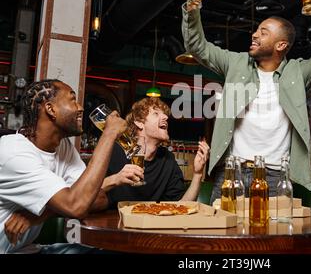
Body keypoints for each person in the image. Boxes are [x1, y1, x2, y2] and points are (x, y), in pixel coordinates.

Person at [183, 0, 311, 202]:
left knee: (273, 237)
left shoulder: (298, 72)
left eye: (264, 32)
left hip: (275, 176)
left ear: (281, 45)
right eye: (257, 30)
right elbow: (197, 46)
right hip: (231, 171)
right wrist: (192, 4)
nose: (254, 35)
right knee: (223, 236)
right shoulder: (236, 64)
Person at [0, 79, 127, 254]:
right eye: (72, 99)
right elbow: (77, 206)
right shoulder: (14, 153)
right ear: (51, 109)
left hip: (27, 249)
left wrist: (37, 215)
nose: (80, 107)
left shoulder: (63, 147)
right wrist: (109, 134)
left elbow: (98, 198)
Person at [100, 97, 210, 209]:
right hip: (114, 222)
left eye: (165, 115)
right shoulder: (114, 151)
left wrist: (198, 173)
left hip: (151, 223)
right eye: (156, 114)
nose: (166, 117)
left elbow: (182, 205)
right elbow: (86, 193)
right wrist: (116, 179)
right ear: (139, 123)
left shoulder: (167, 159)